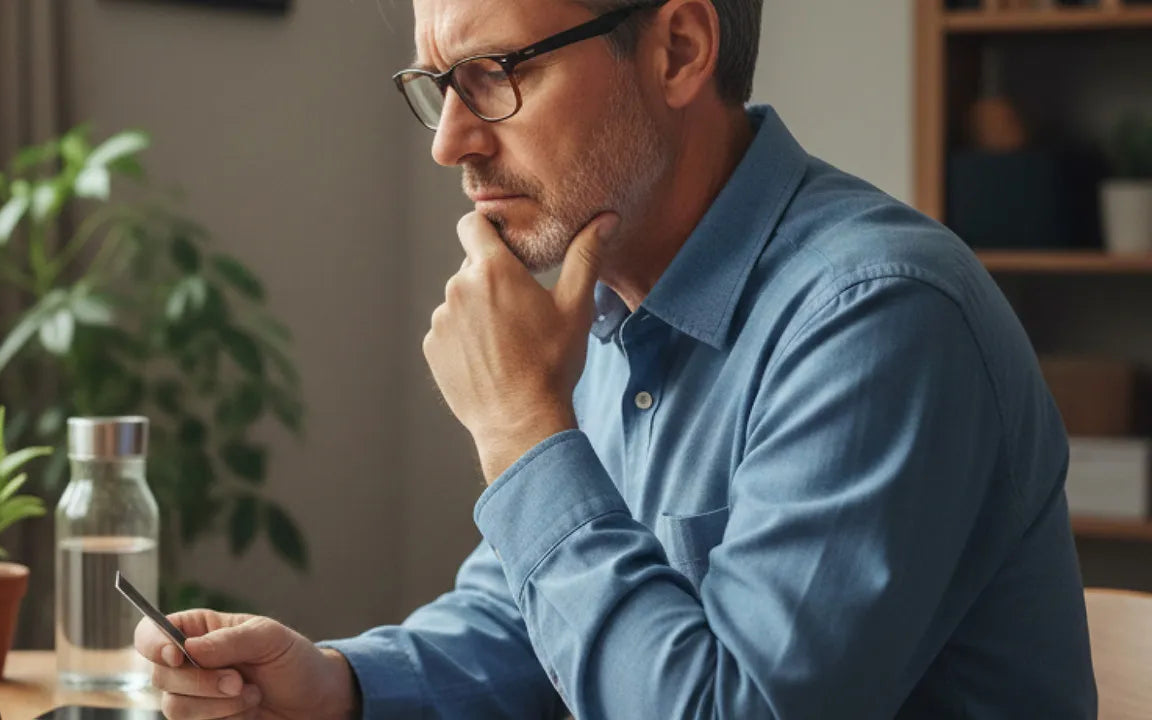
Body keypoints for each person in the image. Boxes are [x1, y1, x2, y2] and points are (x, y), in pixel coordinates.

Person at [134, 0, 1097, 717]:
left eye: (496, 71)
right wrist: (340, 686)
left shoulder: (879, 319)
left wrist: (521, 431)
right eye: (438, 85)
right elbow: (534, 620)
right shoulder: (611, 287)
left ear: (678, 49)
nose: (449, 141)